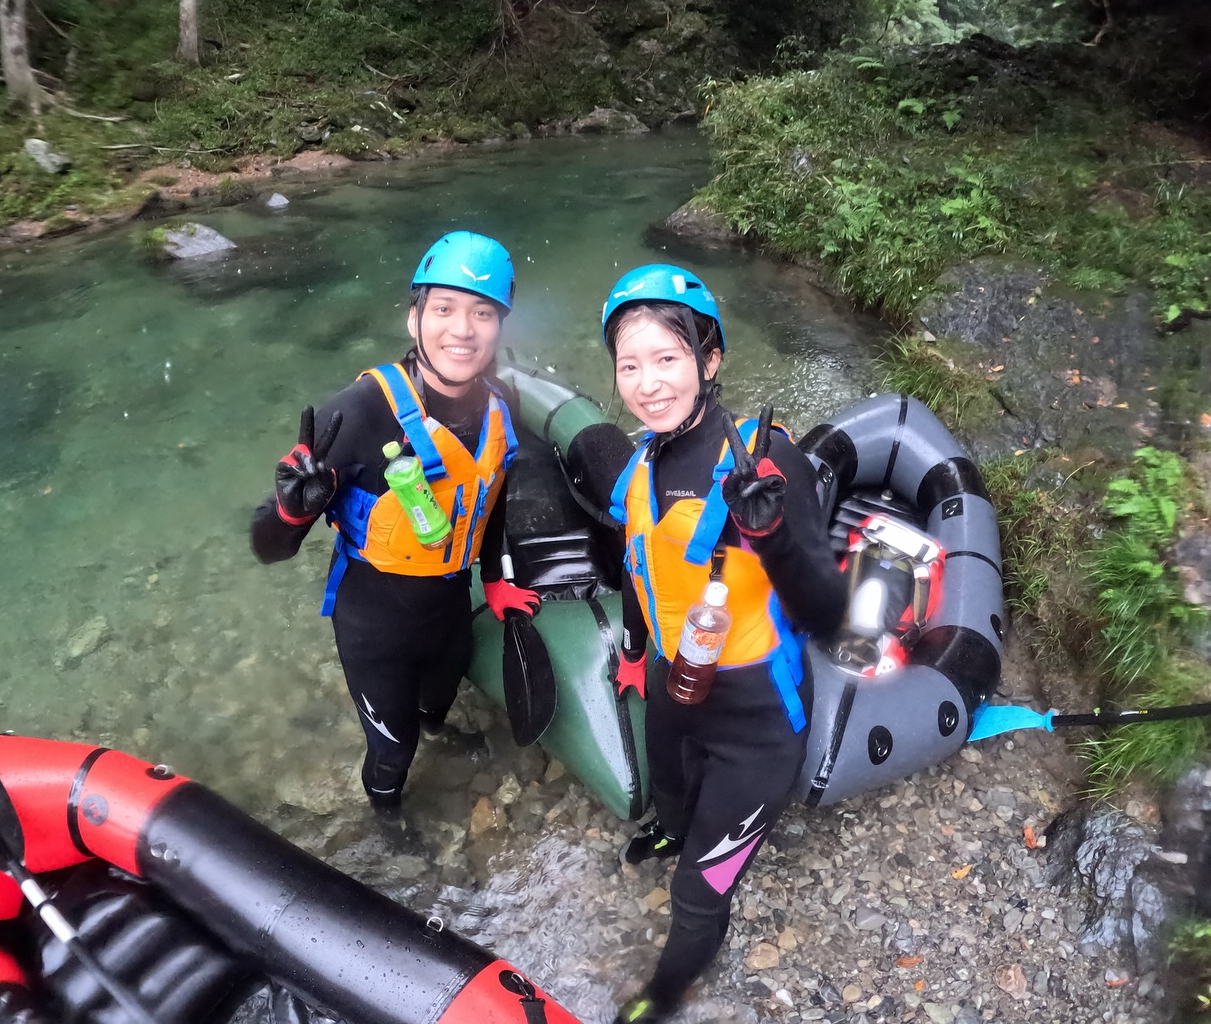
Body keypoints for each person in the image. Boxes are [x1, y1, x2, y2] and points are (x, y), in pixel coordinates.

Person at [592, 263, 848, 1024]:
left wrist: (772, 535)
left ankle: (660, 999)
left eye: (667, 359)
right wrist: (638, 648)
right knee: (669, 803)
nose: (647, 383)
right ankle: (675, 828)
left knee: (696, 897)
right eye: (629, 364)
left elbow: (830, 611)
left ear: (710, 360)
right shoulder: (643, 460)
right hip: (678, 689)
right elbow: (641, 569)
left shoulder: (765, 464)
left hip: (757, 724)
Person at [250, 232, 541, 819]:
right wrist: (293, 509)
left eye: (482, 312)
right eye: (444, 308)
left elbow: (490, 498)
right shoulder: (355, 412)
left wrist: (496, 580)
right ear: (413, 319)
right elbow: (269, 548)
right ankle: (387, 820)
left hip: (448, 611)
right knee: (393, 749)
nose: (463, 329)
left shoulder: (498, 403)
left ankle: (437, 728)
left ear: (499, 328)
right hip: (374, 624)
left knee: (439, 701)